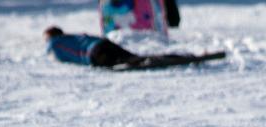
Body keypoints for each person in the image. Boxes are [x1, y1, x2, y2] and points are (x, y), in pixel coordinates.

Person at [43, 26, 224, 70]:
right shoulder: (71, 36)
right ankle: (184, 56)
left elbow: (49, 50)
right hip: (103, 44)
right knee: (136, 56)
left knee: (133, 61)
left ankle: (159, 60)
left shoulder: (54, 43)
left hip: (95, 54)